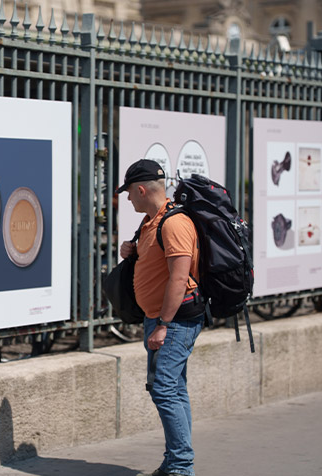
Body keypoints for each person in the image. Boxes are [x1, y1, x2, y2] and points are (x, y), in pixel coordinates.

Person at [117, 159, 204, 476]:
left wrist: (164, 326)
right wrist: (132, 250)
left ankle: (181, 466)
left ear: (141, 190)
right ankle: (175, 461)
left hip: (175, 321)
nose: (127, 199)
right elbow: (154, 263)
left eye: (129, 193)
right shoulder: (151, 222)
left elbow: (179, 279)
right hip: (159, 318)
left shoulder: (174, 224)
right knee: (175, 389)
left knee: (164, 389)